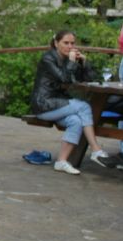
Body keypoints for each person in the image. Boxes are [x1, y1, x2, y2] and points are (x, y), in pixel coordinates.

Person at [29, 29, 110, 174]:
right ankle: (96, 150)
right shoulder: (48, 58)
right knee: (84, 107)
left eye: (72, 43)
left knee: (75, 121)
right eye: (66, 43)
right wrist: (72, 62)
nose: (70, 46)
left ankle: (61, 161)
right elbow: (64, 78)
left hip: (58, 104)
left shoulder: (68, 59)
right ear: (56, 43)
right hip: (43, 105)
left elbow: (91, 79)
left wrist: (84, 62)